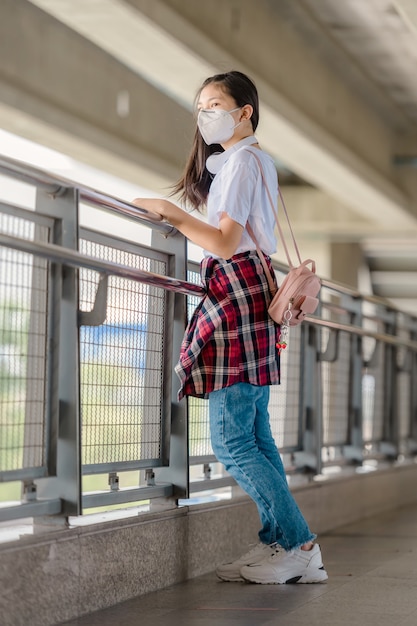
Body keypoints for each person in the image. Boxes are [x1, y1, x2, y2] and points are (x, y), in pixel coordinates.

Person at [133, 70, 327, 585]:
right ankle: (283, 544)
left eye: (215, 104)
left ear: (245, 112)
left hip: (237, 291)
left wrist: (170, 214)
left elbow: (223, 242)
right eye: (200, 105)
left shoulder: (242, 162)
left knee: (232, 439)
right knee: (256, 434)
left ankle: (300, 545)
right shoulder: (247, 161)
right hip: (251, 291)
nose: (205, 114)